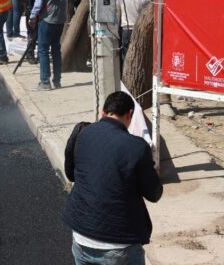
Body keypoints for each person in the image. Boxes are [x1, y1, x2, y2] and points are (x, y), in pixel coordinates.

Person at [63, 91, 162, 265]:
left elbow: (71, 174)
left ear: (103, 112)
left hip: (81, 236)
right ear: (129, 114)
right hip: (118, 245)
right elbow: (153, 194)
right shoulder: (137, 147)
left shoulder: (82, 133)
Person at [29, 0, 67, 90]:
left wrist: (32, 17)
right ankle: (57, 81)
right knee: (56, 50)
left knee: (43, 50)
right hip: (60, 20)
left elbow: (38, 4)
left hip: (47, 20)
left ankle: (45, 82)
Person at [117, 0, 154, 64]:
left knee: (126, 56)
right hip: (143, 29)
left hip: (126, 29)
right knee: (141, 55)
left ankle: (125, 77)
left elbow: (117, 11)